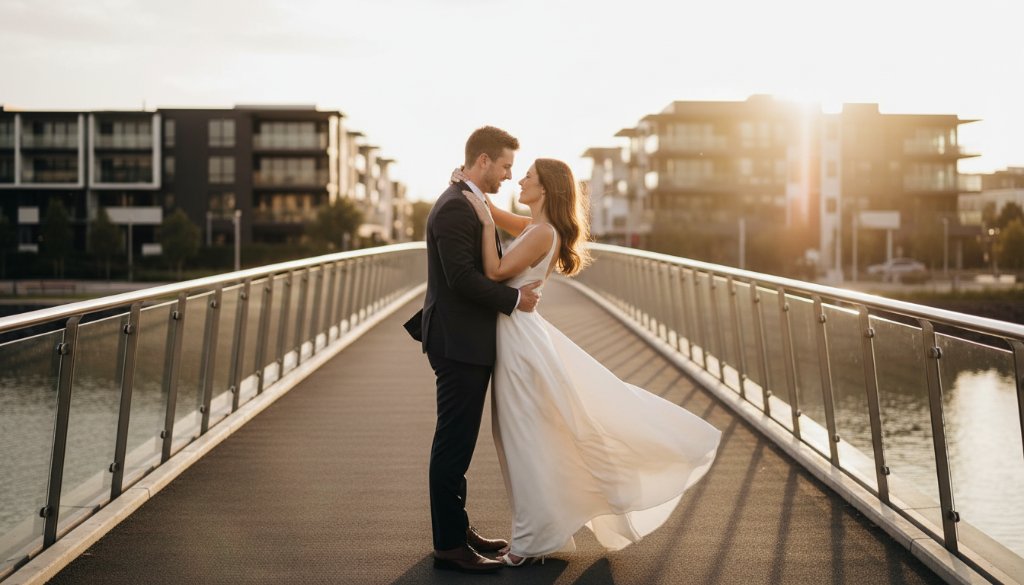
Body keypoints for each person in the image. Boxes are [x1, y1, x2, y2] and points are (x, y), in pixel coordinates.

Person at [455, 159, 722, 566]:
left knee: (521, 437)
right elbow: (490, 211)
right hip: (518, 337)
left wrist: (485, 221)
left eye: (528, 176)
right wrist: (470, 185)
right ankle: (542, 532)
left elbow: (492, 272)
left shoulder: (541, 232)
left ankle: (531, 542)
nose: (520, 180)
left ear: (544, 189)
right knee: (522, 435)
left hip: (519, 344)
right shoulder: (535, 228)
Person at [403, 126, 542, 573]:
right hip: (458, 342)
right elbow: (462, 279)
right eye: (504, 166)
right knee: (453, 444)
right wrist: (515, 300)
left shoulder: (469, 200)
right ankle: (449, 545)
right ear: (482, 161)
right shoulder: (454, 209)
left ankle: (456, 529)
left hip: (465, 339)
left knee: (459, 443)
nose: (507, 175)